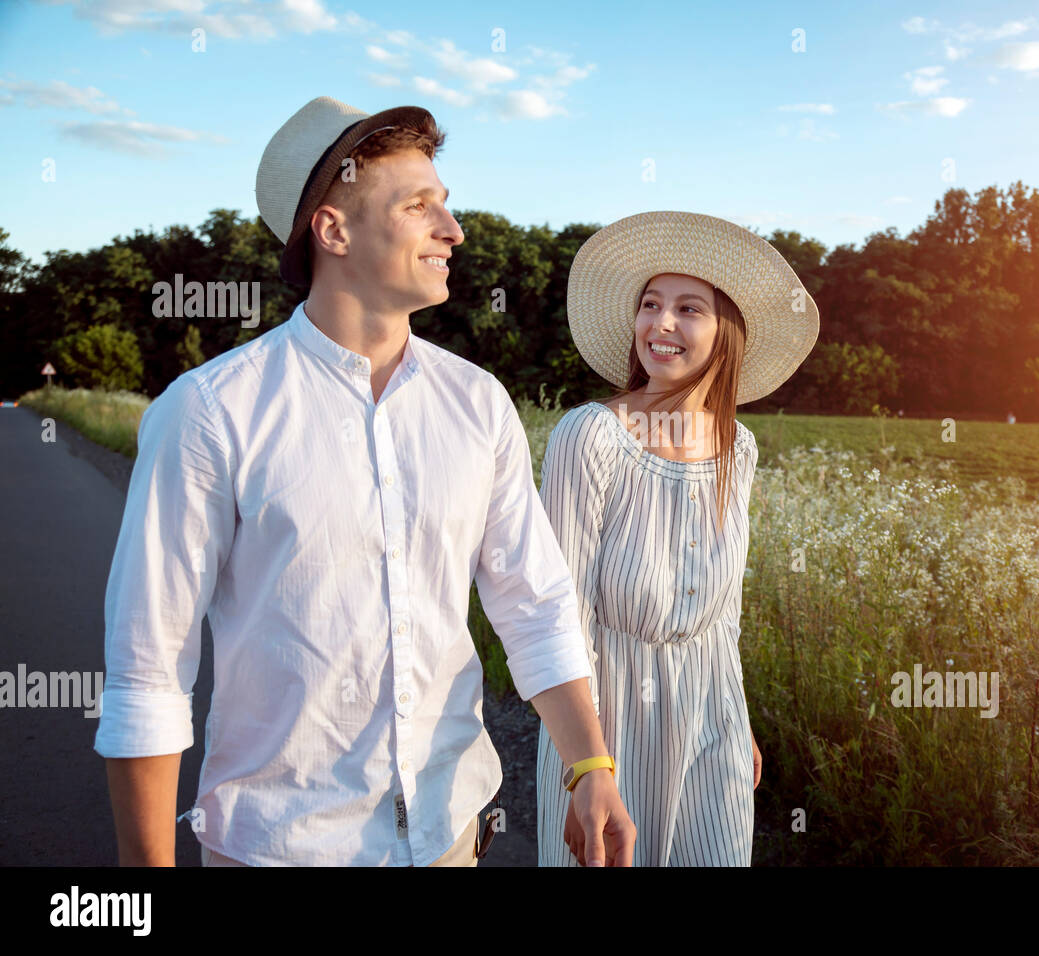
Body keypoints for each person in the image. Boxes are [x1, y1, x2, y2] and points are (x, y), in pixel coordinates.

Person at [94, 96, 635, 867]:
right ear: (334, 230)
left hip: (453, 835)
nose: (453, 231)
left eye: (445, 207)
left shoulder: (478, 403)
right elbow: (147, 674)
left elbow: (534, 603)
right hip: (281, 848)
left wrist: (590, 766)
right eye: (420, 207)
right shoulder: (210, 413)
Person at [535, 211, 820, 865]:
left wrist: (736, 716)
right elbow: (559, 614)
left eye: (688, 308)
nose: (660, 324)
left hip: (711, 714)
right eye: (650, 305)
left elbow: (725, 617)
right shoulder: (589, 436)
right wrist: (586, 763)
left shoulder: (737, 449)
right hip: (607, 719)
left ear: (728, 334)